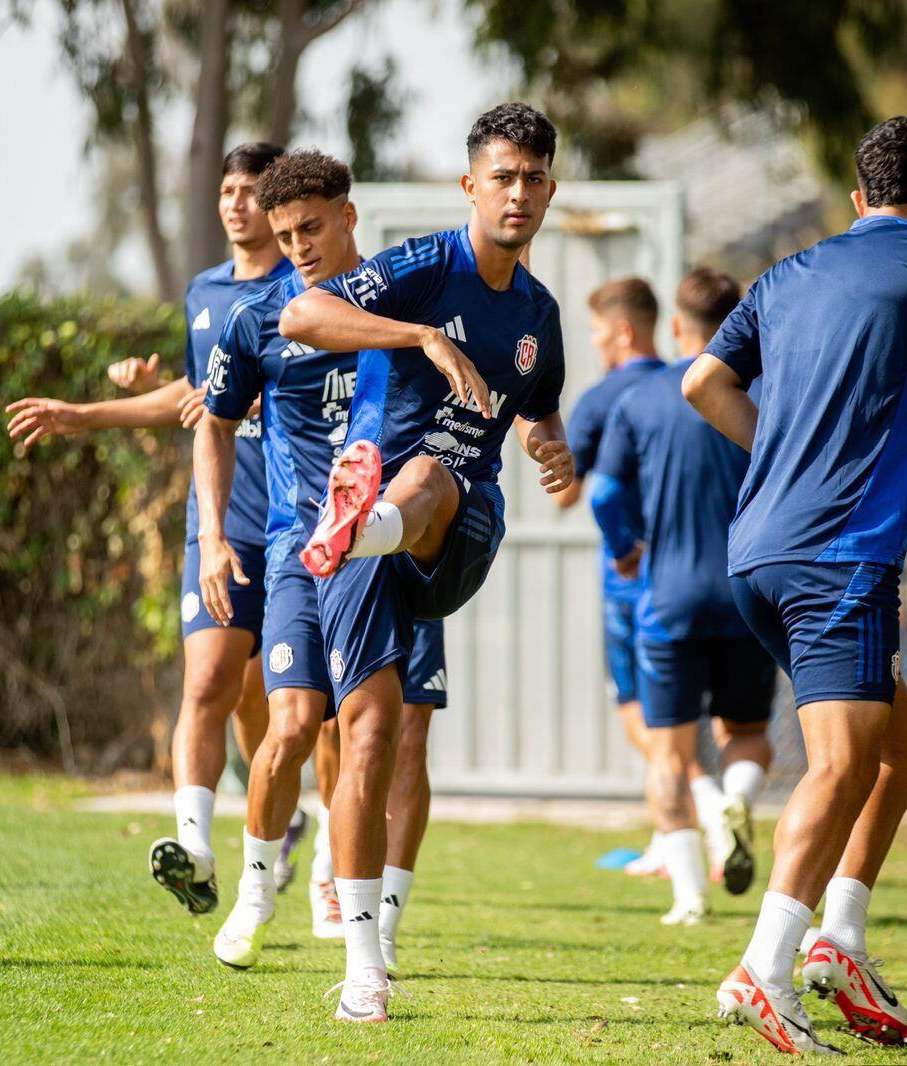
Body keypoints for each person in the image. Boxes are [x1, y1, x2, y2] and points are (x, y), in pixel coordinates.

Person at [683, 116, 907, 1053]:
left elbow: (701, 383)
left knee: (901, 751)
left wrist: (778, 448)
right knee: (844, 764)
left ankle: (837, 940)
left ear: (856, 202)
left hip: (757, 553)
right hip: (839, 556)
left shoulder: (783, 274)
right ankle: (764, 970)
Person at [277, 102, 574, 1022]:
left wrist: (552, 447)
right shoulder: (423, 264)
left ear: (549, 191)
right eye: (502, 176)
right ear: (470, 186)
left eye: (532, 178)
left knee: (437, 472)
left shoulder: (539, 314)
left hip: (459, 530)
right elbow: (301, 312)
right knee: (367, 736)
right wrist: (420, 335)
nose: (517, 193)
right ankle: (366, 964)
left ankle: (364, 520)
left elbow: (541, 408)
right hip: (365, 543)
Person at [6, 143, 292, 915]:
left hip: (300, 526)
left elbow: (283, 398)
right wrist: (86, 414)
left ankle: (304, 833)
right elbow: (198, 399)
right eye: (227, 190)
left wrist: (257, 407)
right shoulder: (205, 292)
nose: (235, 204)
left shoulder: (306, 289)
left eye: (251, 192)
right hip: (223, 520)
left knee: (283, 709)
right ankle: (196, 850)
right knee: (209, 682)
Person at [190, 150, 449, 979]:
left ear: (348, 216)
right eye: (284, 233)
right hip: (301, 555)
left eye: (311, 227)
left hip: (391, 550)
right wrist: (213, 538)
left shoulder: (409, 298)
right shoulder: (256, 317)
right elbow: (212, 421)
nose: (298, 245)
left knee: (390, 734)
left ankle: (378, 918)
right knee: (294, 726)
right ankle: (258, 892)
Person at [590, 269, 778, 926]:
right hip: (749, 595)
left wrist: (622, 550)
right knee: (749, 736)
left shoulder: (641, 399)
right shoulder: (763, 394)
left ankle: (690, 897)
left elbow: (605, 494)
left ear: (677, 326)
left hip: (666, 598)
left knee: (669, 754)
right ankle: (735, 797)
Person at [550, 278, 664, 873]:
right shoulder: (686, 387)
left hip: (628, 573)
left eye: (596, 332)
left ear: (622, 331)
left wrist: (540, 437)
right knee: (691, 712)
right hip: (697, 569)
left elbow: (570, 497)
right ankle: (676, 839)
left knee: (637, 708)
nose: (594, 344)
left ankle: (699, 800)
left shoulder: (601, 399)